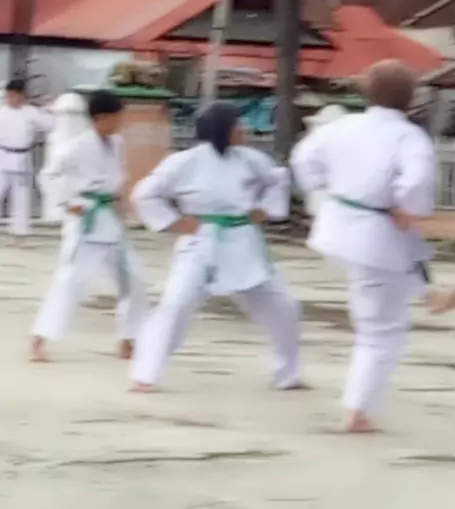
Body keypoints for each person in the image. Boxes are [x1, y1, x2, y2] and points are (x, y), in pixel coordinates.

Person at [291, 60, 455, 433]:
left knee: (407, 252)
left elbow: (303, 157)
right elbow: (416, 182)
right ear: (411, 97)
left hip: (338, 224)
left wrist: (324, 186)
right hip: (372, 235)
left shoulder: (342, 125)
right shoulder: (409, 137)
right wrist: (408, 207)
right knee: (382, 330)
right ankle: (358, 410)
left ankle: (428, 293)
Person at [130, 100, 301, 392]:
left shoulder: (251, 159)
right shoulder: (184, 162)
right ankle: (146, 373)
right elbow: (144, 194)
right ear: (222, 129)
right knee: (175, 304)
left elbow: (277, 180)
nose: (243, 129)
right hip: (201, 243)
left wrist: (264, 209)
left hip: (244, 243)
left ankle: (288, 373)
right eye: (237, 124)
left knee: (284, 306)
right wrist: (175, 222)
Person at [30, 89, 148, 363]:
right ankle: (39, 338)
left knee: (134, 280)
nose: (120, 122)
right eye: (117, 117)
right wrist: (68, 202)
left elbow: (116, 178)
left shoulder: (117, 143)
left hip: (110, 221)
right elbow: (48, 176)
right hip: (87, 221)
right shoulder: (76, 147)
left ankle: (128, 338)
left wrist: (120, 203)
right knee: (71, 281)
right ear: (101, 117)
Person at [0, 79, 53, 243]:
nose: (14, 99)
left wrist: (46, 108)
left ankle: (20, 233)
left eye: (17, 95)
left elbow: (49, 125)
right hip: (3, 155)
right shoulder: (2, 112)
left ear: (23, 95)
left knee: (21, 197)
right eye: (11, 95)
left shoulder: (31, 112)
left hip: (23, 157)